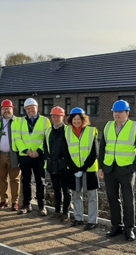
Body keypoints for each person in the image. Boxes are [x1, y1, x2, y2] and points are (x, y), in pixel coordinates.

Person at [99, 100, 136, 241]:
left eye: (120, 111)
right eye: (115, 111)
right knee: (112, 199)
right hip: (109, 169)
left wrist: (133, 168)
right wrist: (100, 168)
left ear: (127, 113)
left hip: (126, 170)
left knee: (128, 200)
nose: (117, 114)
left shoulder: (134, 127)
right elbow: (102, 148)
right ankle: (116, 226)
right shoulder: (108, 126)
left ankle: (129, 229)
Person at [13, 98, 51, 216]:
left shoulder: (45, 121)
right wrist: (26, 151)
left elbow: (47, 138)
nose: (30, 110)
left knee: (40, 181)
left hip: (38, 156)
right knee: (26, 180)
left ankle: (41, 205)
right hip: (25, 156)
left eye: (32, 108)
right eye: (27, 109)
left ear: (37, 108)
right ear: (25, 110)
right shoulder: (19, 122)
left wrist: (38, 151)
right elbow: (17, 138)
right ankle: (26, 204)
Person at [65, 107, 99, 230]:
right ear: (71, 120)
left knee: (92, 196)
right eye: (74, 119)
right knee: (76, 195)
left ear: (84, 119)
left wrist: (84, 167)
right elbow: (65, 151)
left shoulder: (91, 131)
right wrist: (74, 167)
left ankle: (92, 221)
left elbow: (95, 152)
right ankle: (78, 218)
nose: (76, 121)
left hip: (89, 169)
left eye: (79, 119)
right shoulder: (66, 131)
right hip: (73, 169)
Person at [0, 99, 21, 211]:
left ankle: (15, 202)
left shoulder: (19, 121)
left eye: (8, 109)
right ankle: (3, 201)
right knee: (2, 179)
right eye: (4, 109)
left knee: (15, 179)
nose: (6, 111)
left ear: (13, 109)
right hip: (0, 155)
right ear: (1, 110)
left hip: (14, 155)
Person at [43, 106, 72, 223]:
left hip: (65, 166)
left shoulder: (68, 131)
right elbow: (45, 147)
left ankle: (66, 212)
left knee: (66, 190)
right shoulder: (48, 131)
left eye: (58, 116)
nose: (55, 118)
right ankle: (57, 211)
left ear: (63, 117)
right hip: (53, 165)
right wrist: (47, 158)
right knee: (56, 189)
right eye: (53, 116)